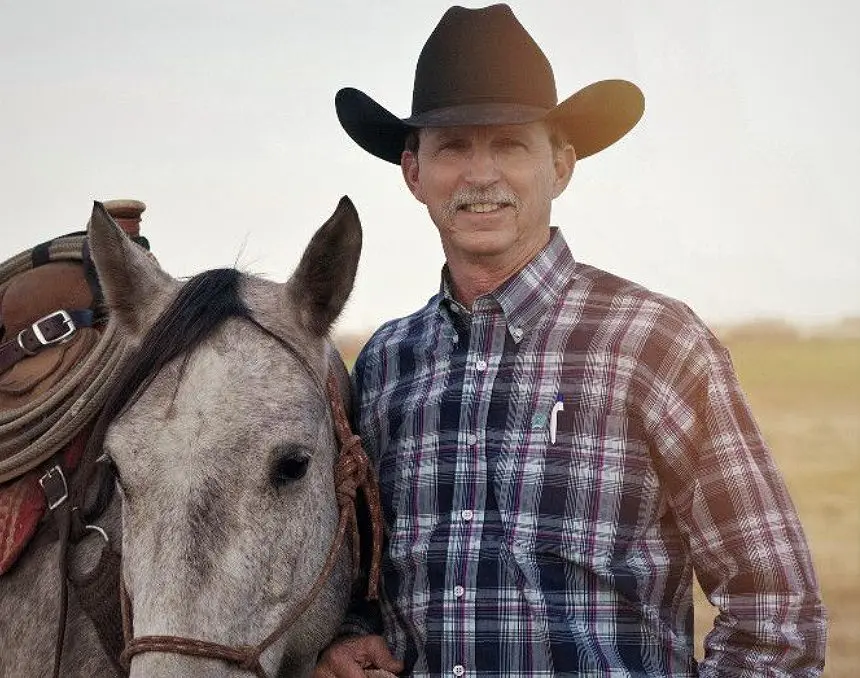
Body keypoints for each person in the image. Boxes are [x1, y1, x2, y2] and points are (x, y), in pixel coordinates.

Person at [315, 5, 827, 677]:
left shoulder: (655, 344)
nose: (480, 174)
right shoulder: (385, 365)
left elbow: (775, 607)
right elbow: (370, 574)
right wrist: (357, 631)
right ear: (414, 173)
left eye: (508, 145)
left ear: (560, 166)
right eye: (453, 147)